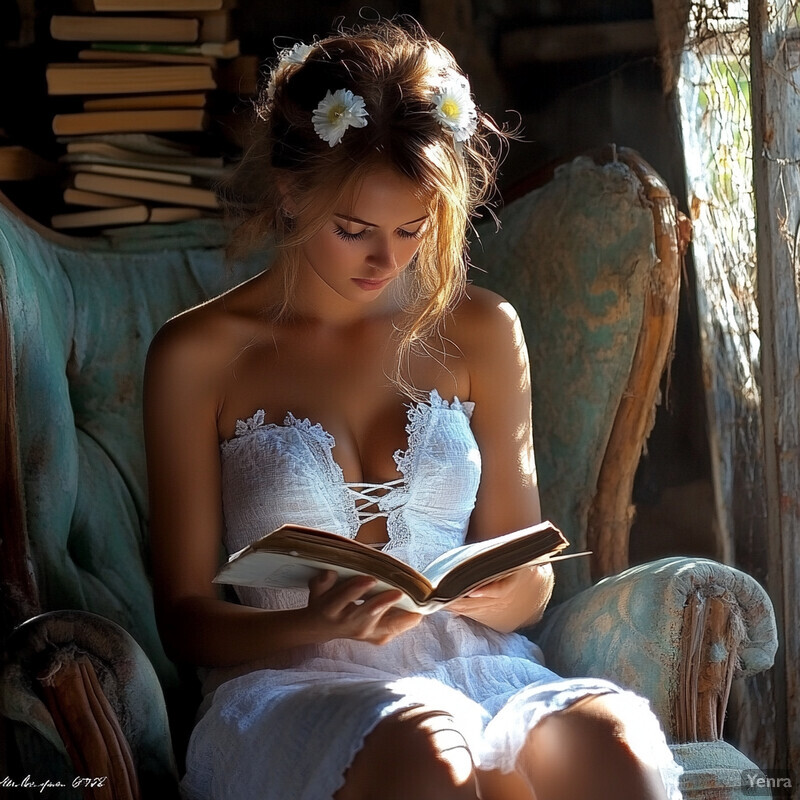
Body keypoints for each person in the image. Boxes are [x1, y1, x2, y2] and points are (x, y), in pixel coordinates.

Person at [143, 16, 683, 800]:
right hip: (294, 687)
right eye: (354, 229)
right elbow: (184, 620)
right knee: (429, 755)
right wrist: (317, 620)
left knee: (614, 749)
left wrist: (497, 590)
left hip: (480, 667)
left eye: (412, 227)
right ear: (291, 192)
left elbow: (531, 577)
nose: (387, 260)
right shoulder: (196, 355)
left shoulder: (483, 330)